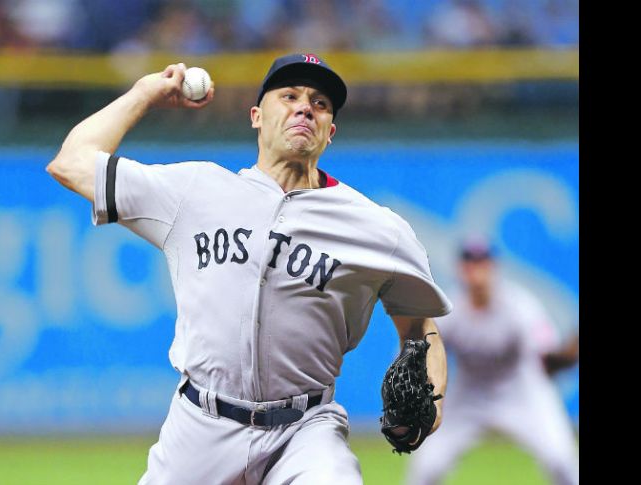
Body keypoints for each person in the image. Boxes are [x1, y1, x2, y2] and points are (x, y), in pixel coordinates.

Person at [46, 52, 452, 484]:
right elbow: (71, 163)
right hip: (200, 427)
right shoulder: (193, 191)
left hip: (305, 430)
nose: (304, 108)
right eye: (289, 96)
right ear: (256, 116)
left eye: (319, 103)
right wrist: (144, 94)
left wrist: (435, 404)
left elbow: (419, 328)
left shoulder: (377, 228)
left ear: (329, 132)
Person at [404, 236, 579, 485]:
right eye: (470, 261)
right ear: (460, 268)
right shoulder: (448, 309)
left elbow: (547, 360)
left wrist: (568, 356)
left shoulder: (520, 307)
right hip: (469, 396)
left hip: (521, 392)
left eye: (482, 261)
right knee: (426, 469)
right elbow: (420, 357)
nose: (476, 269)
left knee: (561, 460)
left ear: (493, 266)